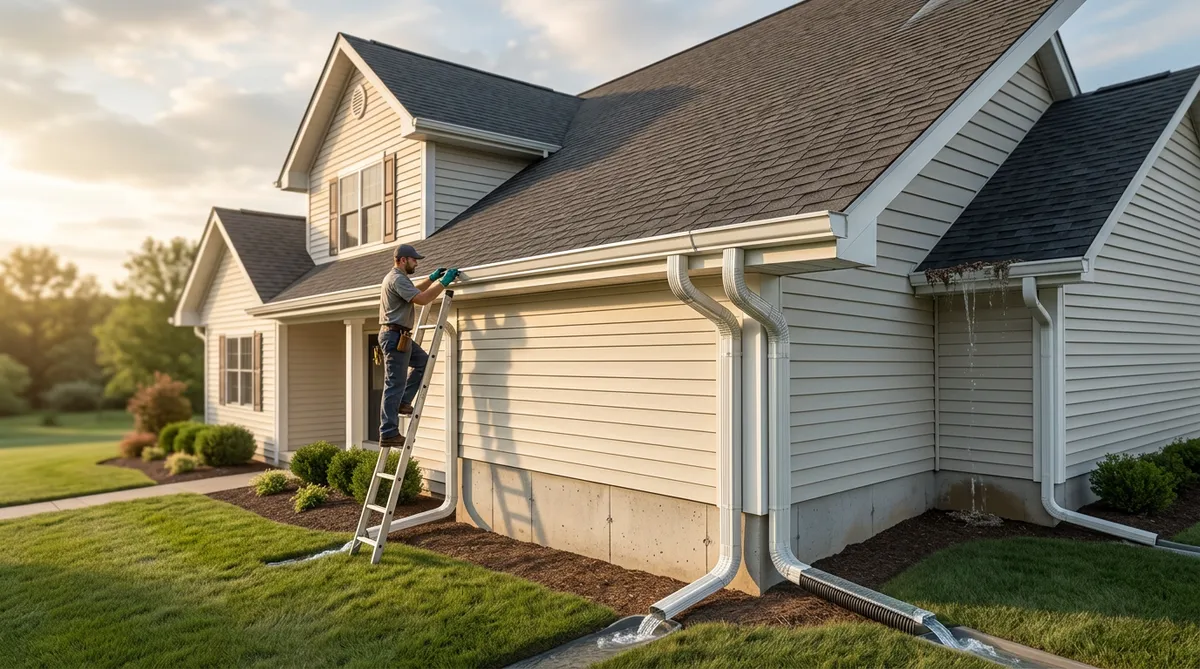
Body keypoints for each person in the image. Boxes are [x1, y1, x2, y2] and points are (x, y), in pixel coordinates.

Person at [378, 243, 458, 449]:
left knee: (423, 361)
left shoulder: (398, 279)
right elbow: (421, 299)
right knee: (393, 384)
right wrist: (444, 283)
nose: (416, 263)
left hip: (399, 335)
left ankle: (404, 402)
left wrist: (432, 280)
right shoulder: (396, 278)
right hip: (395, 337)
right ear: (403, 260)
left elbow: (414, 291)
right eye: (414, 260)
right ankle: (388, 432)